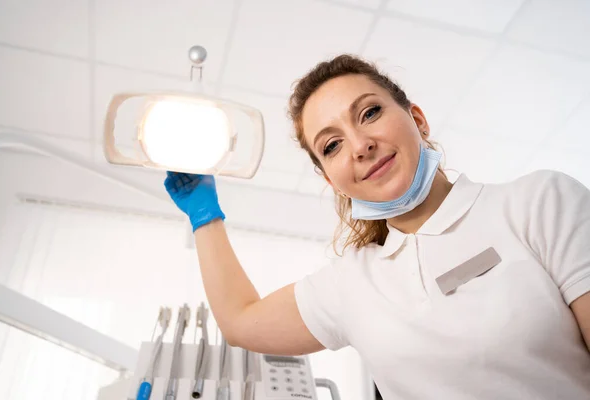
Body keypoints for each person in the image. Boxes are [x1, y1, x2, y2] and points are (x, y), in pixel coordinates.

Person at [164, 54, 590, 399]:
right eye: (332, 145)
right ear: (331, 178)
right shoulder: (352, 283)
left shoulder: (537, 203)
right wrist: (205, 216)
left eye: (369, 113)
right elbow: (240, 323)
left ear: (417, 119)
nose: (360, 145)